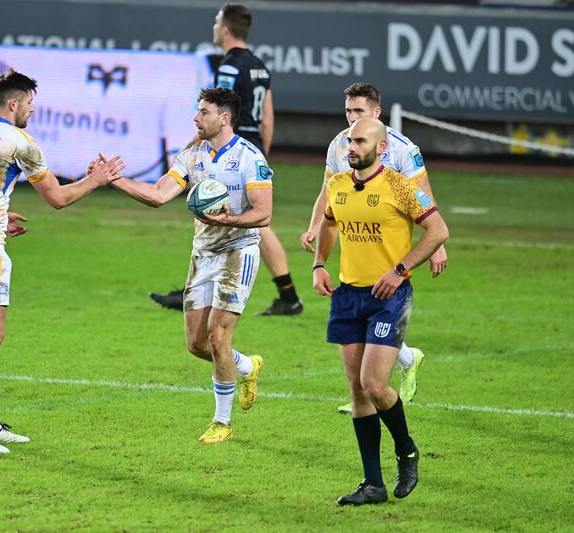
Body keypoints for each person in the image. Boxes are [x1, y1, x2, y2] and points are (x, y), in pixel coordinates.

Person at [0, 70, 125, 453]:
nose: (31, 110)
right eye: (29, 103)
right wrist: (97, 179)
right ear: (14, 103)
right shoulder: (20, 142)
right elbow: (57, 198)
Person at [111, 87, 270, 443]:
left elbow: (264, 212)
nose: (196, 119)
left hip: (238, 251)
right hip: (203, 255)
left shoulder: (249, 158)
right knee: (197, 344)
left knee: (218, 336)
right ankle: (247, 366)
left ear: (224, 118)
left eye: (203, 112)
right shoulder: (193, 155)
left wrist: (231, 220)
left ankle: (222, 422)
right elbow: (158, 195)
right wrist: (115, 180)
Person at [312, 118, 449, 505]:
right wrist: (319, 264)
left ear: (381, 147)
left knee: (374, 384)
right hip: (347, 296)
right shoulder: (338, 185)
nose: (350, 147)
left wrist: (400, 270)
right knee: (357, 391)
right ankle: (372, 484)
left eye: (359, 141)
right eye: (348, 141)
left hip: (389, 295)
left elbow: (438, 231)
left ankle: (406, 450)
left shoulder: (401, 188)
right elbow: (327, 224)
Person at [301, 82, 448, 414]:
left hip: (392, 245)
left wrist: (437, 245)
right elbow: (328, 192)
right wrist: (315, 226)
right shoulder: (340, 145)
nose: (352, 118)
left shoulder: (401, 148)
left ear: (377, 113)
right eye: (349, 111)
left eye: (359, 112)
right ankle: (373, 385)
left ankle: (375, 387)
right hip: (357, 234)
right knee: (363, 309)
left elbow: (421, 190)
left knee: (378, 308)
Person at [150, 3, 302, 316]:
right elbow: (268, 115)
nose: (214, 27)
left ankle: (200, 288)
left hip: (231, 147)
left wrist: (192, 146)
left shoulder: (230, 66)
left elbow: (218, 117)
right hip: (253, 144)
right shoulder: (260, 65)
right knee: (252, 224)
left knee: (214, 212)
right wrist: (262, 153)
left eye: (216, 22)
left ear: (226, 29)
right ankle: (286, 294)